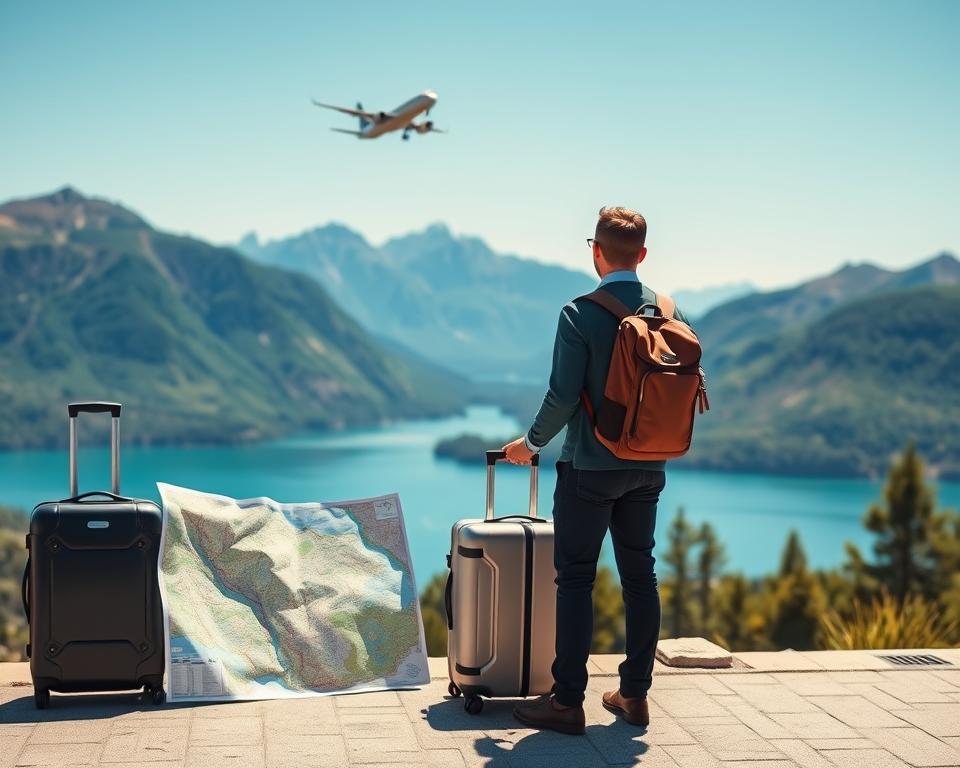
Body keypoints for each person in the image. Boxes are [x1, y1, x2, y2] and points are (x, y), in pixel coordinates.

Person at [502, 206, 691, 735]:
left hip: (590, 469)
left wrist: (530, 443)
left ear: (595, 251)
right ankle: (633, 695)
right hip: (649, 467)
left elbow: (563, 396)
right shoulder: (672, 313)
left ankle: (566, 702)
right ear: (644, 254)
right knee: (640, 577)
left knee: (576, 580)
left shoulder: (579, 313)